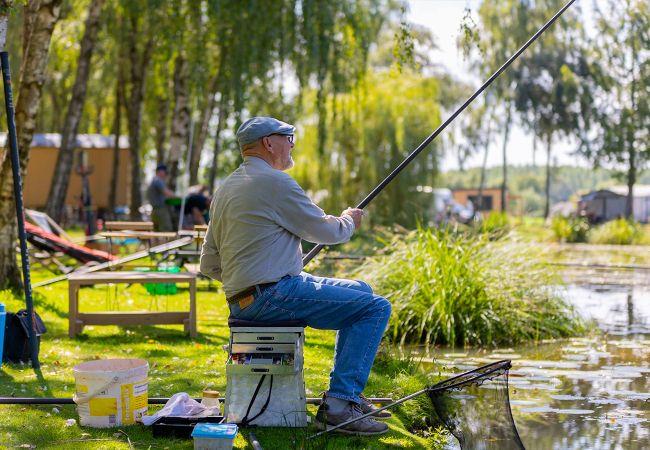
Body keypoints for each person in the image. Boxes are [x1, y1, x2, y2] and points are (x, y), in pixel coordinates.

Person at [200, 117, 392, 435]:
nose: (292, 144)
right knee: (376, 308)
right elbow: (325, 230)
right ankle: (339, 406)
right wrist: (349, 220)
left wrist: (245, 281)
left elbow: (209, 262)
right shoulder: (275, 182)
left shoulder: (227, 187)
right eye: (288, 138)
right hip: (272, 294)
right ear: (268, 143)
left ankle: (349, 396)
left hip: (253, 295)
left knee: (362, 290)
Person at [146, 164, 175, 231]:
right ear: (160, 171)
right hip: (160, 209)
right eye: (165, 172)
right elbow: (167, 192)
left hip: (155, 209)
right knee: (167, 229)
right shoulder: (158, 180)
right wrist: (177, 195)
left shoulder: (154, 180)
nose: (165, 174)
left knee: (157, 231)